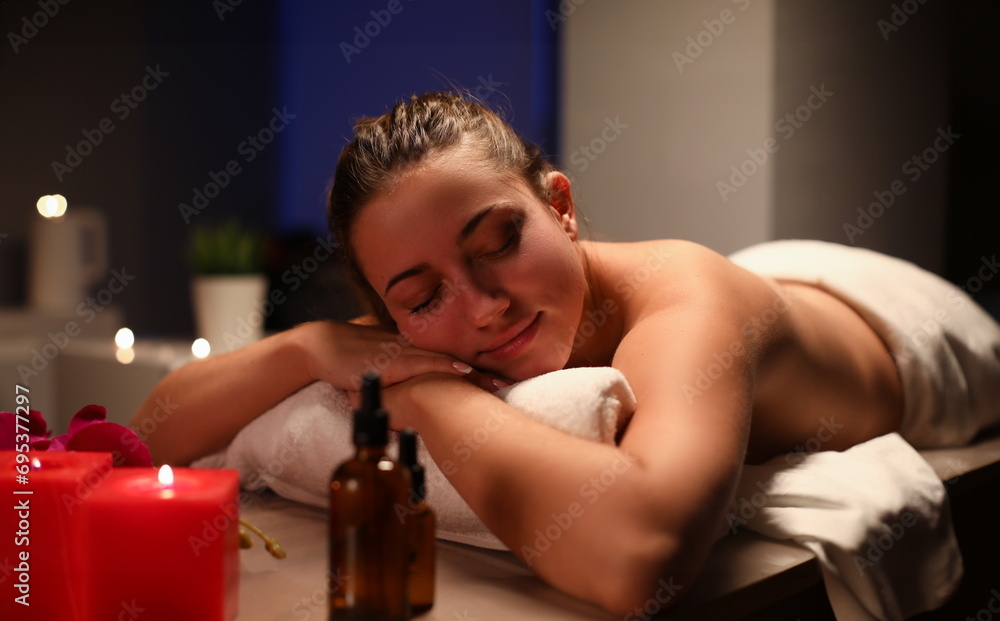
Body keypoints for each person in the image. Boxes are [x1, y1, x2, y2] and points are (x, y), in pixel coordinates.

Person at [132, 91, 1000, 615]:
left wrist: (424, 396)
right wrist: (309, 346)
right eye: (423, 296)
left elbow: (638, 558)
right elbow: (152, 435)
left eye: (500, 240)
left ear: (561, 206)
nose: (483, 306)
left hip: (898, 325)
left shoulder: (689, 302)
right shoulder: (412, 324)